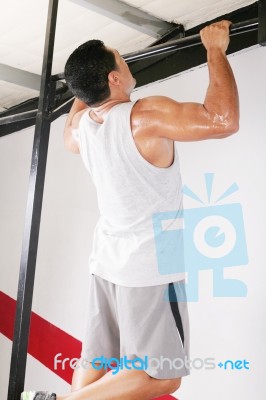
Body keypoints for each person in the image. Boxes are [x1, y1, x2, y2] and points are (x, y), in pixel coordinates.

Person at [21, 20, 239, 400]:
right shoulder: (143, 116)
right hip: (151, 264)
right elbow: (223, 120)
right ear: (114, 78)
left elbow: (72, 124)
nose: (126, 61)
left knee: (99, 363)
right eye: (121, 58)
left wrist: (85, 90)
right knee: (165, 376)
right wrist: (215, 50)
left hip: (107, 260)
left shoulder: (81, 132)